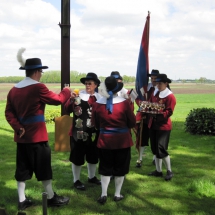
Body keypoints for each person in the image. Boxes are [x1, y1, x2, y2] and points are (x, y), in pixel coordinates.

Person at [5, 48, 70, 210]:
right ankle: (51, 197)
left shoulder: (13, 90)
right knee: (43, 168)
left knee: (22, 168)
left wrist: (18, 127)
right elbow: (58, 100)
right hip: (38, 137)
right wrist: (67, 90)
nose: (41, 74)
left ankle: (22, 200)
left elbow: (8, 112)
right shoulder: (38, 87)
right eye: (41, 71)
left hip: (22, 137)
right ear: (36, 72)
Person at [91, 76, 136, 204]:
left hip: (105, 140)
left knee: (105, 167)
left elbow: (96, 124)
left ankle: (103, 194)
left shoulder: (97, 104)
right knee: (120, 167)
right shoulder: (124, 103)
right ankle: (117, 194)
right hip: (122, 141)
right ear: (118, 89)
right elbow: (132, 122)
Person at [64, 72, 103, 190]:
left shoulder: (100, 98)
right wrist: (70, 101)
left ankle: (92, 177)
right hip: (78, 132)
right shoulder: (78, 96)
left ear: (96, 85)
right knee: (77, 156)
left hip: (94, 132)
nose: (87, 85)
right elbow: (66, 109)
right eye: (86, 83)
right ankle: (76, 180)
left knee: (93, 156)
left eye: (89, 83)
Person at [147, 74, 176, 181]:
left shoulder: (170, 96)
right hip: (153, 124)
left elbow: (169, 111)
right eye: (157, 83)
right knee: (154, 149)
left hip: (163, 126)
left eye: (160, 83)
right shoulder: (155, 92)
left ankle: (169, 170)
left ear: (166, 83)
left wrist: (157, 114)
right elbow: (150, 104)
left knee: (161, 149)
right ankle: (158, 171)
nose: (157, 85)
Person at [135, 69, 159, 167]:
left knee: (155, 139)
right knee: (142, 139)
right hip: (145, 117)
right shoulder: (145, 88)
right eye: (152, 78)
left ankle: (155, 158)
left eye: (155, 78)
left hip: (156, 118)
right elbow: (138, 98)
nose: (153, 80)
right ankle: (139, 159)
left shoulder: (161, 90)